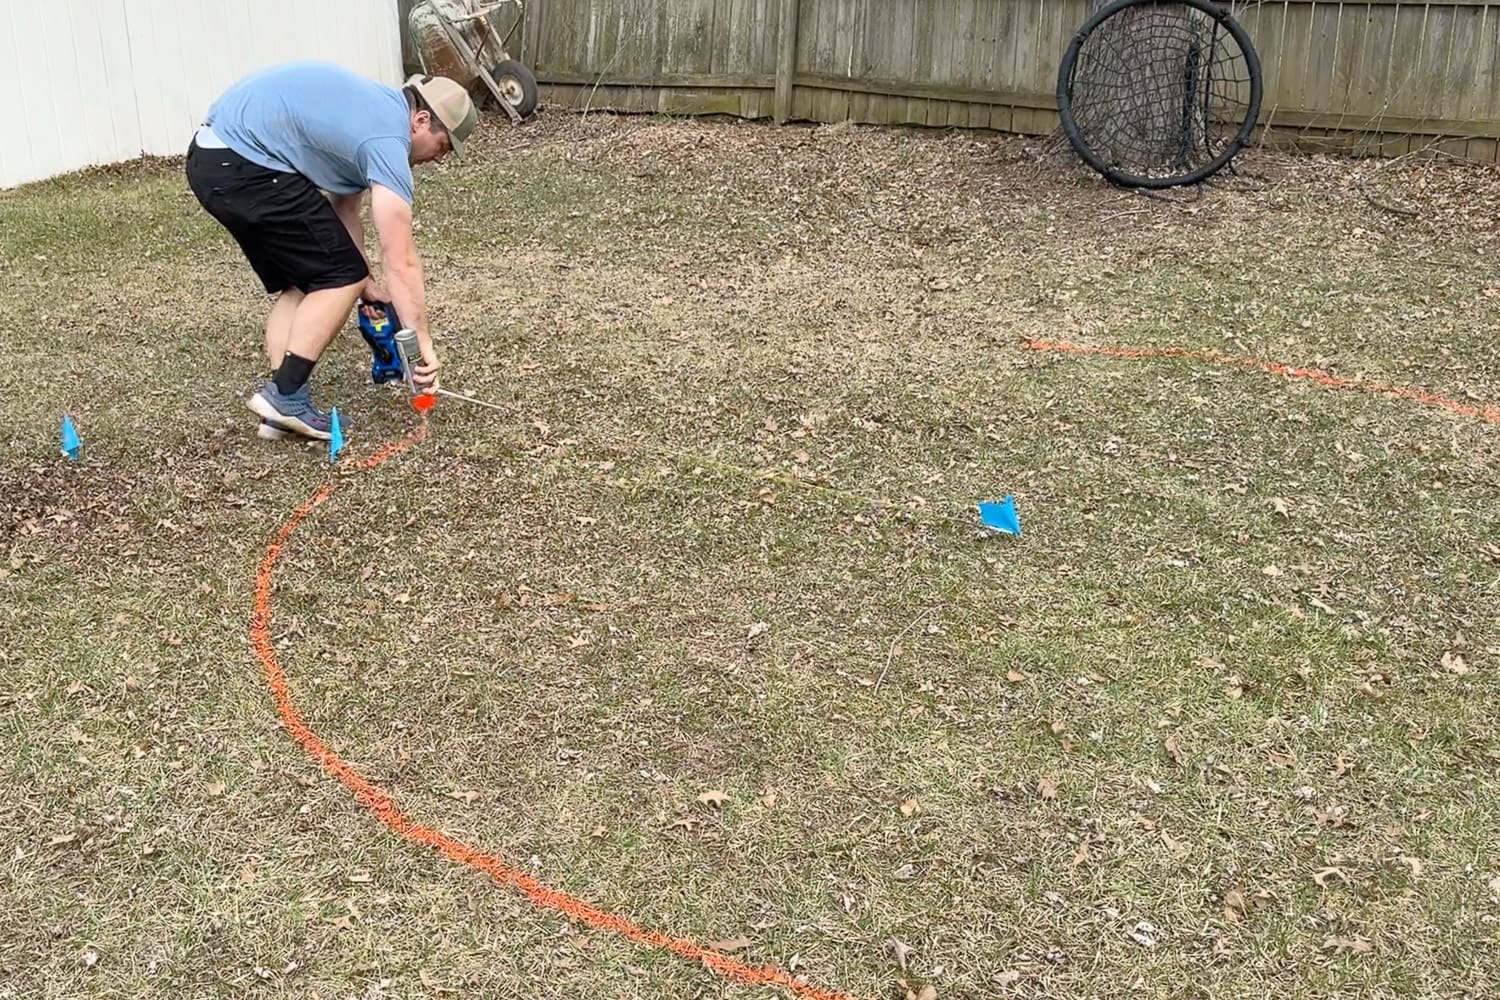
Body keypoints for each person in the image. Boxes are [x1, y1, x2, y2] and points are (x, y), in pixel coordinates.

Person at [185, 61, 478, 441]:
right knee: (341, 277)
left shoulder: (372, 111)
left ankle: (281, 411)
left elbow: (345, 210)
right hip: (247, 164)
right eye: (442, 146)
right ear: (421, 120)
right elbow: (401, 260)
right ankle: (285, 396)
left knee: (308, 283)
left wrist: (366, 283)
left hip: (212, 160)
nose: (439, 159)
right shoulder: (388, 140)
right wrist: (421, 341)